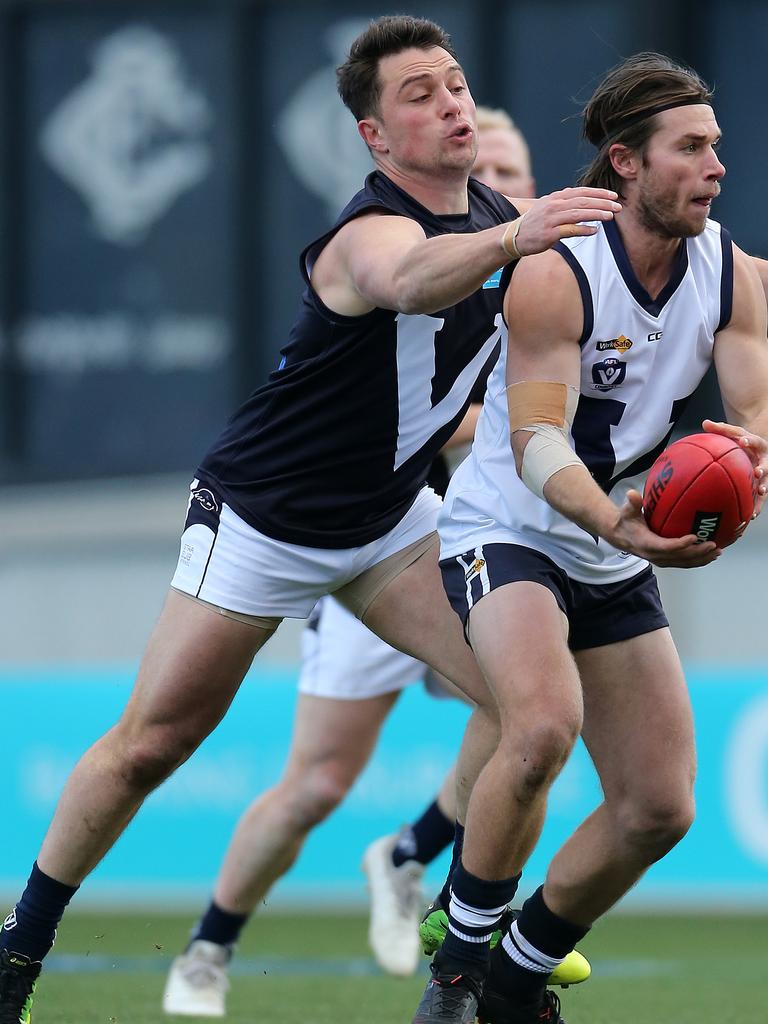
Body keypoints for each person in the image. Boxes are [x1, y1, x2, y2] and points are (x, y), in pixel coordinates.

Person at [0, 16, 622, 1021]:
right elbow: (408, 279)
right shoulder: (369, 232)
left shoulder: (506, 218)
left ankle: (462, 942)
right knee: (150, 746)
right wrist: (517, 233)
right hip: (263, 521)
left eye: (456, 83)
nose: (450, 102)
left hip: (389, 526)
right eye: (418, 93)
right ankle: (18, 949)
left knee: (533, 717)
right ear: (376, 137)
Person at [159, 108, 542, 1017]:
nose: (505, 186)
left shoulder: (546, 274)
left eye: (518, 171)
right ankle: (208, 948)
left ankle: (426, 867)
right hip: (382, 536)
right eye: (492, 168)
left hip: (477, 552)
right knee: (318, 783)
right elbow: (426, 417)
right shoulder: (421, 254)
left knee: (532, 710)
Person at [411, 51, 768, 1024]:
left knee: (661, 806)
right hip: (514, 523)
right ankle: (453, 974)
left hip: (615, 542)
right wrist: (620, 520)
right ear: (625, 161)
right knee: (540, 725)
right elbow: (532, 443)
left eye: (717, 147)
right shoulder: (555, 272)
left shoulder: (729, 274)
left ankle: (518, 981)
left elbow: (753, 413)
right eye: (690, 148)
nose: (715, 166)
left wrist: (750, 463)